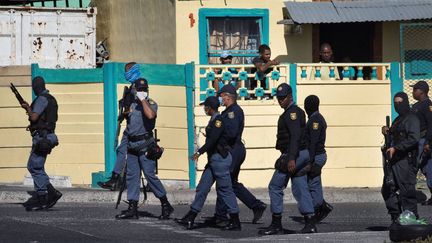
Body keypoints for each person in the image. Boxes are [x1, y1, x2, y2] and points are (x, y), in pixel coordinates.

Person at [175, 96, 241, 231]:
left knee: (225, 190)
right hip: (213, 161)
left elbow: (212, 141)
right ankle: (191, 216)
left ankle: (235, 220)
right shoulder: (214, 120)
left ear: (210, 108)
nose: (204, 109)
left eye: (205, 106)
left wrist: (199, 152)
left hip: (220, 160)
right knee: (202, 188)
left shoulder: (218, 121)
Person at [204, 85, 266, 226]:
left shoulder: (233, 112)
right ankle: (255, 206)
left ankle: (222, 215)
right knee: (230, 183)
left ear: (228, 96)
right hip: (233, 149)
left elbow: (231, 133)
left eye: (221, 96)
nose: (220, 98)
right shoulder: (228, 111)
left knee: (224, 181)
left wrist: (217, 136)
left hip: (234, 149)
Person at [259, 83, 314, 235]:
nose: (280, 100)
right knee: (299, 185)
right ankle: (310, 222)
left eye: (283, 98)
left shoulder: (292, 113)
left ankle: (276, 224)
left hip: (294, 153)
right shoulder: (292, 112)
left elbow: (295, 136)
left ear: (290, 96)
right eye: (279, 98)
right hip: (300, 153)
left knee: (275, 186)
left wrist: (291, 158)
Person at [115, 78, 173, 220]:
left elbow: (150, 115)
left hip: (145, 145)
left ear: (147, 90)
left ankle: (165, 204)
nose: (140, 91)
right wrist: (124, 110)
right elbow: (123, 118)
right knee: (132, 177)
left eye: (143, 89)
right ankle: (132, 207)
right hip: (132, 145)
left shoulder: (151, 103)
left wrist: (143, 100)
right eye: (138, 89)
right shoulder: (132, 104)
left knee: (150, 175)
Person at [97, 62, 141, 190]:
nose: (126, 73)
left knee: (131, 153)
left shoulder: (138, 87)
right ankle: (117, 179)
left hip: (136, 127)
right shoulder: (133, 86)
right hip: (131, 125)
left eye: (128, 70)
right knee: (124, 151)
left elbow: (136, 108)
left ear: (134, 70)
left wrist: (125, 113)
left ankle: (118, 180)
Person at [21, 76, 62, 211]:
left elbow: (34, 117)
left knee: (34, 166)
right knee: (37, 166)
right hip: (47, 136)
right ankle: (45, 195)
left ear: (36, 87)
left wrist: (27, 107)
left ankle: (46, 195)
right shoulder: (50, 99)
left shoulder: (42, 99)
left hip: (42, 137)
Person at [382, 92, 420, 225]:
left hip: (405, 160)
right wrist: (387, 130)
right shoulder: (398, 119)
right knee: (387, 188)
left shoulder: (411, 119)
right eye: (395, 103)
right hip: (393, 161)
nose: (398, 105)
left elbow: (414, 139)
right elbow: (395, 134)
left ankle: (411, 220)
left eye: (400, 102)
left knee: (407, 191)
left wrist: (397, 148)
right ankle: (396, 216)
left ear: (405, 102)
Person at [304, 95, 333, 222]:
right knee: (313, 182)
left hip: (316, 156)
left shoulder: (315, 120)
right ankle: (321, 206)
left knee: (313, 184)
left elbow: (313, 143)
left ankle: (319, 207)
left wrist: (309, 161)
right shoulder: (315, 118)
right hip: (316, 155)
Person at [410, 81, 432, 205]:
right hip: (416, 140)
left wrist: (428, 142)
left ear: (421, 91)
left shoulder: (428, 105)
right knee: (425, 168)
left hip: (423, 141)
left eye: (415, 90)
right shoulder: (417, 105)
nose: (413, 92)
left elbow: (431, 124)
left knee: (422, 167)